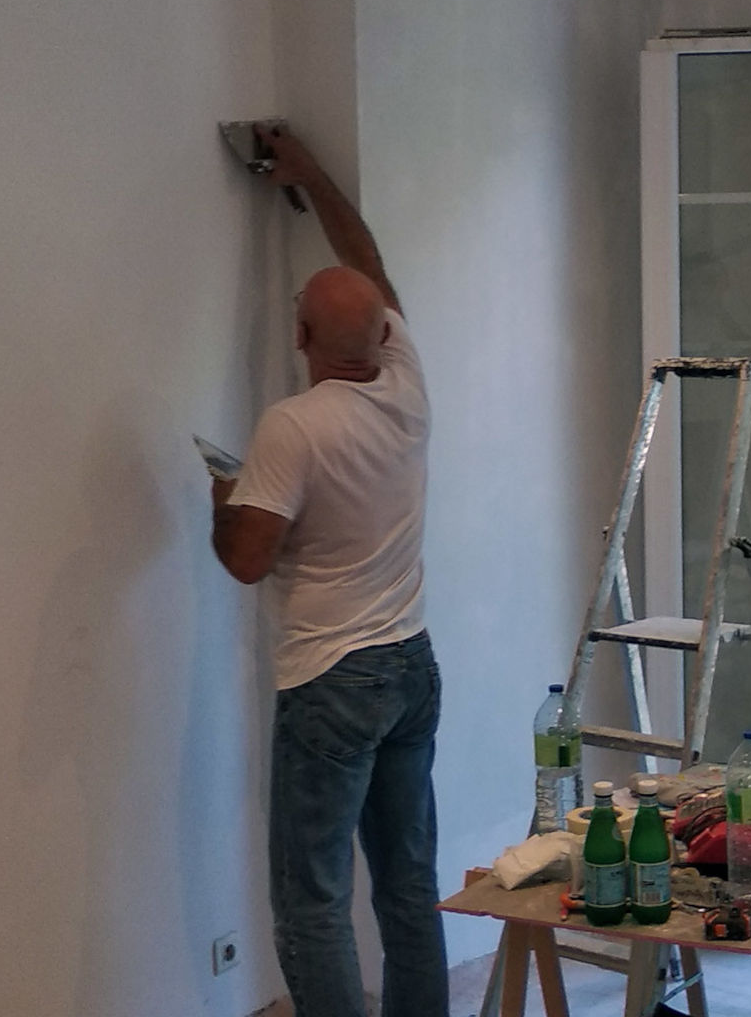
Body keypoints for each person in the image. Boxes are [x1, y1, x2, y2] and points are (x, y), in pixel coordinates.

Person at [209, 126, 447, 1017]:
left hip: (330, 679)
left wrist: (224, 497)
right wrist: (310, 177)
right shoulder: (407, 382)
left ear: (301, 334)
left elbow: (246, 561)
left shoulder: (293, 426)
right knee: (406, 884)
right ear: (384, 333)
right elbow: (367, 261)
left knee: (311, 903)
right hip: (410, 665)